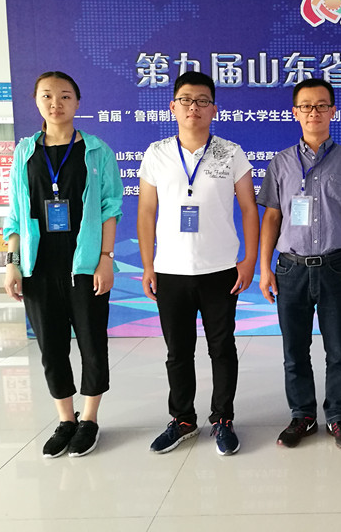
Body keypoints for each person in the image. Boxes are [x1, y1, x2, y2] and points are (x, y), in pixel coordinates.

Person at [138, 71, 259, 456]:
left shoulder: (230, 152)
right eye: (186, 100)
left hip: (220, 270)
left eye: (203, 101)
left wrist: (249, 260)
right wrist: (148, 265)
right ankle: (183, 419)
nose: (194, 107)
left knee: (222, 348)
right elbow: (146, 212)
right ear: (173, 107)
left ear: (214, 109)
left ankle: (223, 418)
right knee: (178, 351)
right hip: (171, 271)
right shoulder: (157, 153)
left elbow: (249, 208)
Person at [3, 71, 123, 458]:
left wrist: (105, 258)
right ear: (36, 101)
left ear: (77, 102)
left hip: (84, 263)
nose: (56, 103)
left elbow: (110, 207)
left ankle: (89, 420)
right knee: (51, 347)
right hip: (38, 266)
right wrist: (12, 263)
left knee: (92, 342)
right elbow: (14, 214)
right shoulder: (24, 152)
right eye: (47, 96)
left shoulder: (97, 150)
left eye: (65, 96)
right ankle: (65, 420)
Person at [257, 78, 341, 450]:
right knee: (294, 351)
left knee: (339, 351)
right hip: (290, 268)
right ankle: (303, 416)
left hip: (336, 267)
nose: (314, 112)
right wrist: (265, 268)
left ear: (333, 111)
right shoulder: (280, 162)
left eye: (322, 105)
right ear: (295, 113)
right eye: (306, 106)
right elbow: (272, 218)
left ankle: (338, 417)